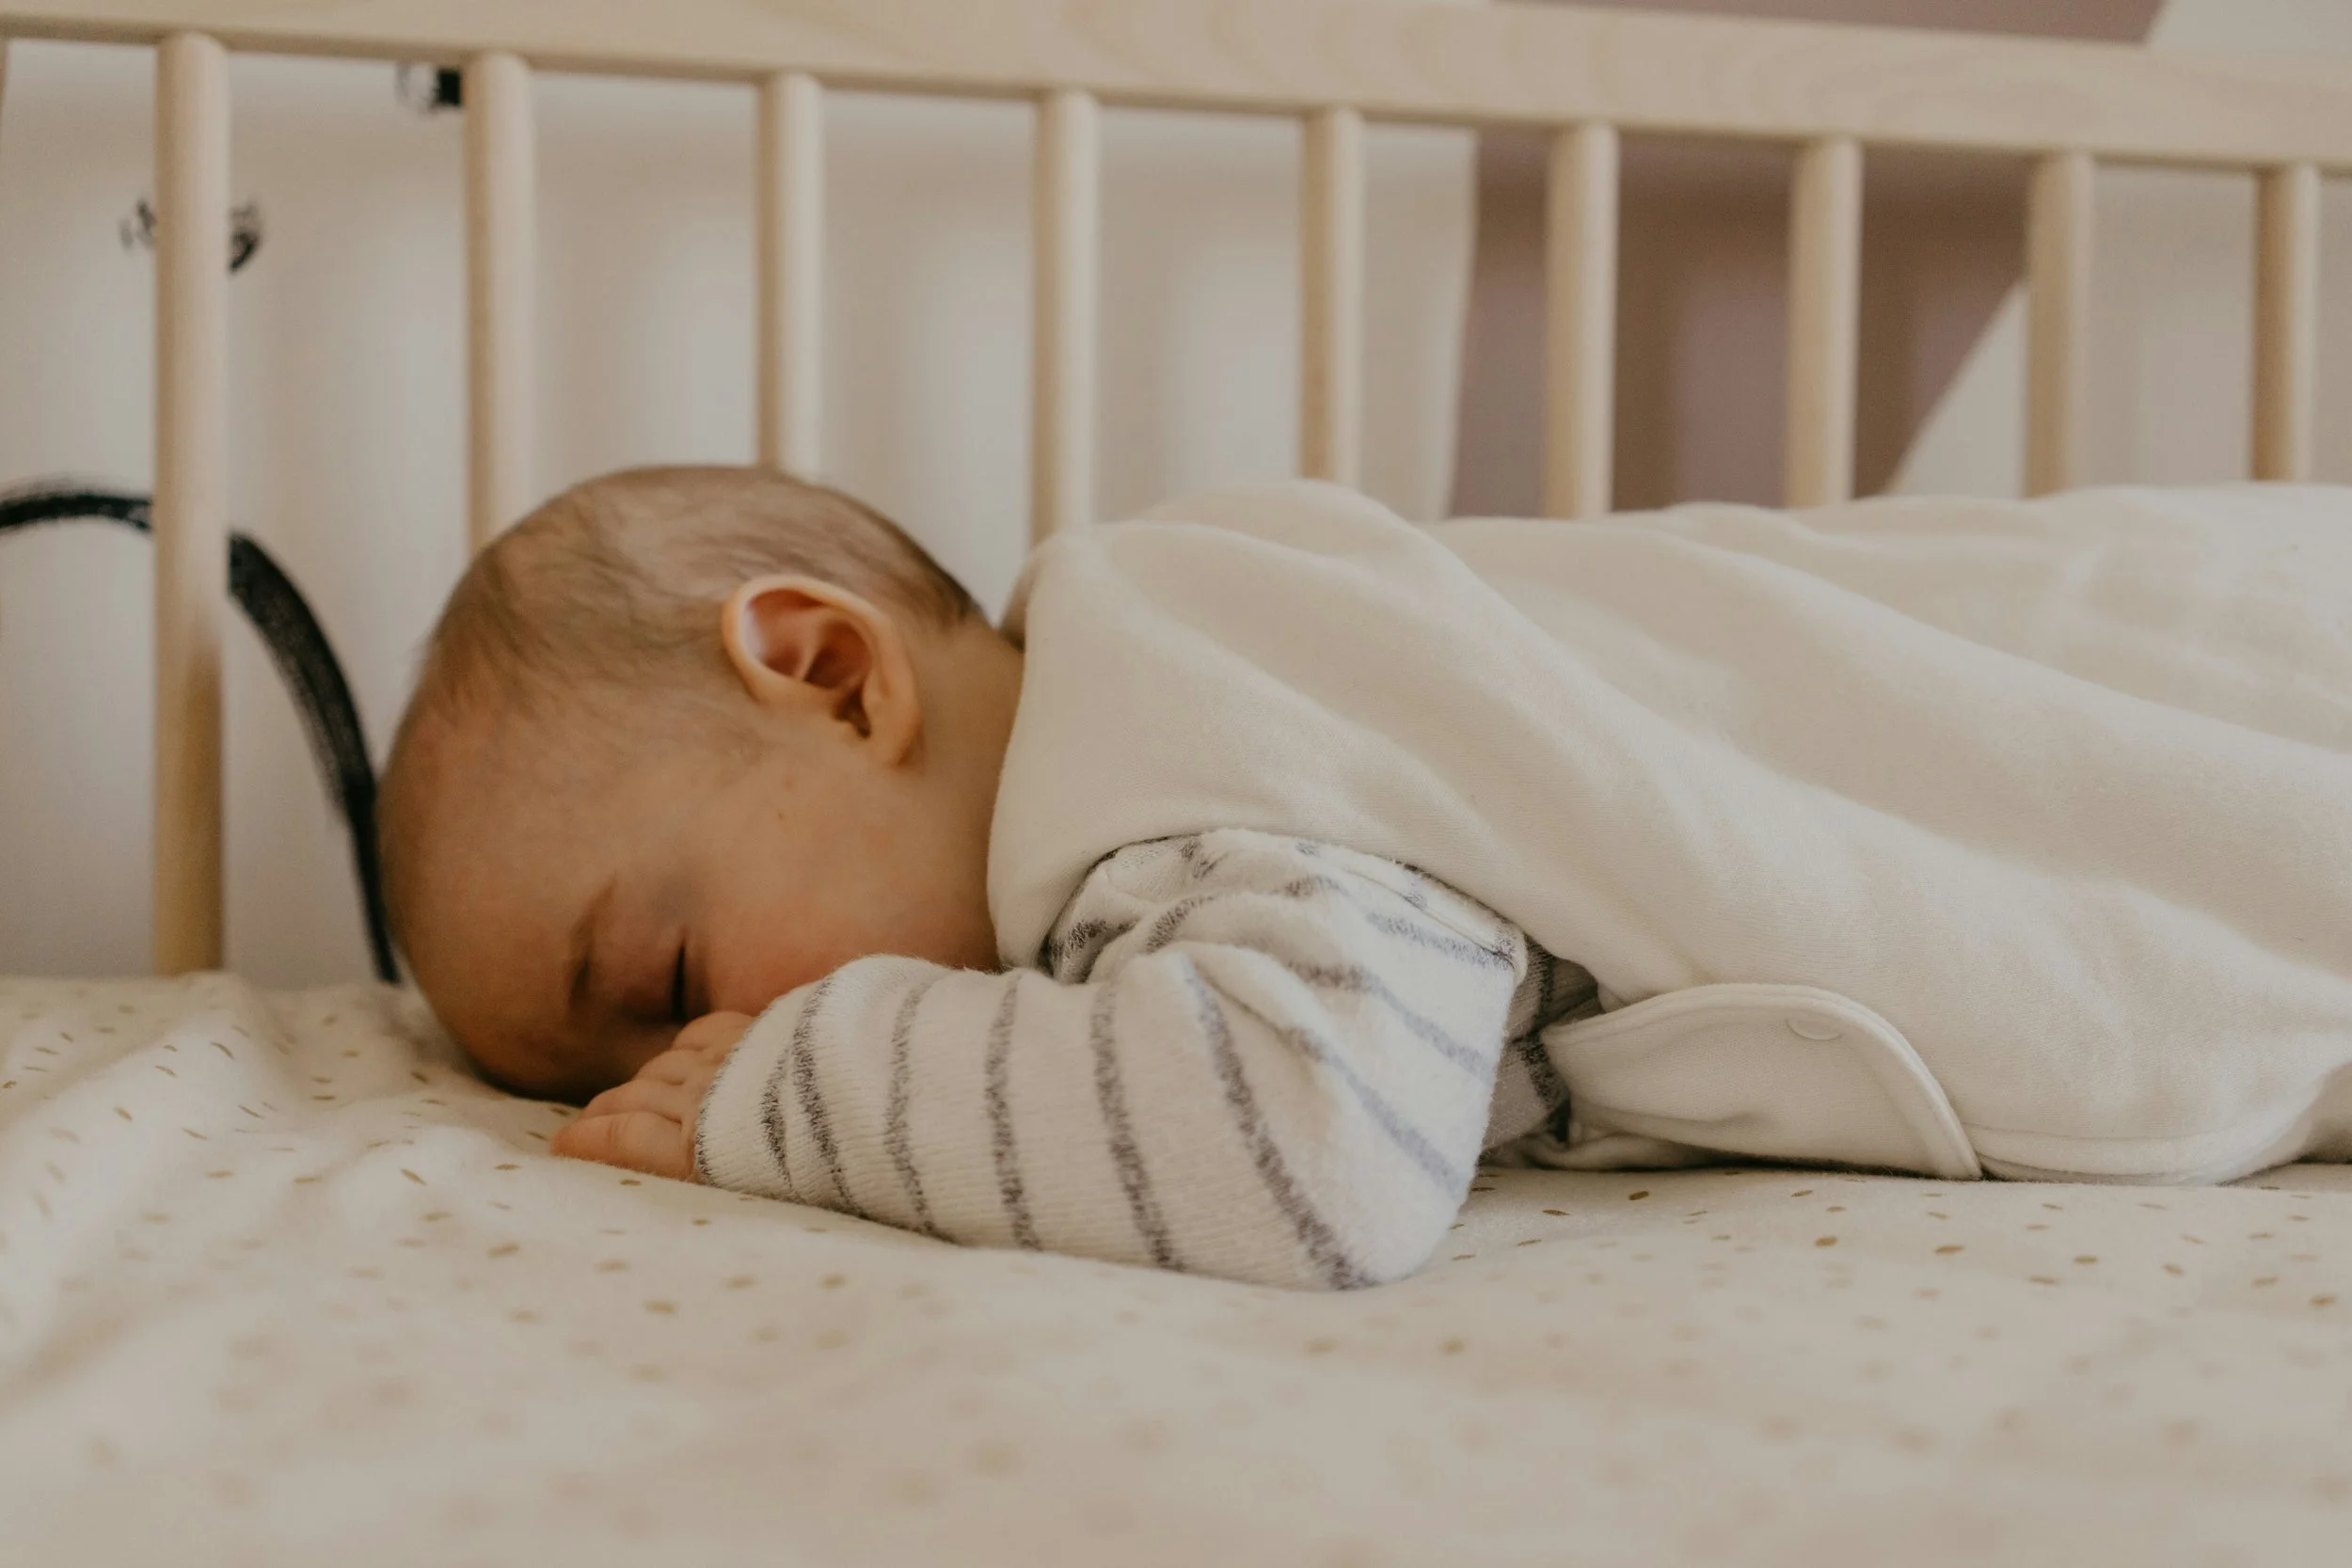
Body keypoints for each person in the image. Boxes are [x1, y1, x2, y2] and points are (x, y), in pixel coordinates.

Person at [381, 465, 2352, 1290]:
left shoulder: (1162, 730)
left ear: (823, 673)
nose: (694, 1047)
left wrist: (795, 1089)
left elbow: (1311, 1140)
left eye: (663, 977)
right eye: (636, 1059)